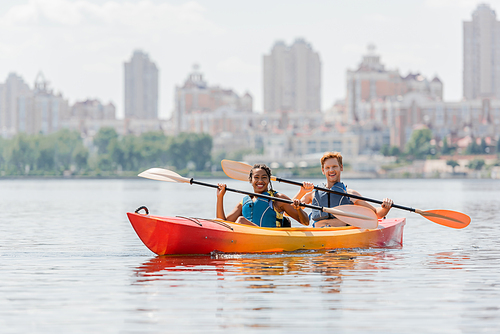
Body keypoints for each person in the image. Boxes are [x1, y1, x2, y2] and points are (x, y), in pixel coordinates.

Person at [293, 152, 393, 228]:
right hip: (319, 233)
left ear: (341, 167)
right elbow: (288, 211)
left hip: (342, 233)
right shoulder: (312, 195)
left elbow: (376, 214)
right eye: (327, 167)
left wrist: (386, 207)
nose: (331, 170)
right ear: (323, 170)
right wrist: (301, 192)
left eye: (334, 166)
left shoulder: (350, 194)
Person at [217, 164, 310, 227]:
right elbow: (222, 224)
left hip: (270, 239)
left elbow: (306, 222)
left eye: (264, 177)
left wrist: (298, 209)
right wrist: (220, 197)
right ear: (251, 180)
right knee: (239, 220)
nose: (260, 181)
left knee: (241, 221)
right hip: (249, 239)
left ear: (269, 180)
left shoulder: (277, 198)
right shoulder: (244, 202)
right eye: (256, 177)